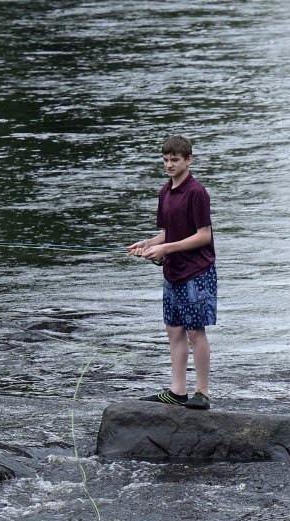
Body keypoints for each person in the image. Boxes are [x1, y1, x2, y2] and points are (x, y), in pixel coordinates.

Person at [127, 135, 216, 411]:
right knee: (173, 329)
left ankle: (202, 392)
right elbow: (168, 232)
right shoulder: (165, 192)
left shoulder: (197, 192)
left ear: (189, 160)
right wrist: (149, 243)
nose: (169, 165)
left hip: (197, 272)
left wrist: (167, 247)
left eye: (174, 160)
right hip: (173, 272)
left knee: (195, 332)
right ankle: (177, 391)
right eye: (165, 160)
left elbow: (204, 235)